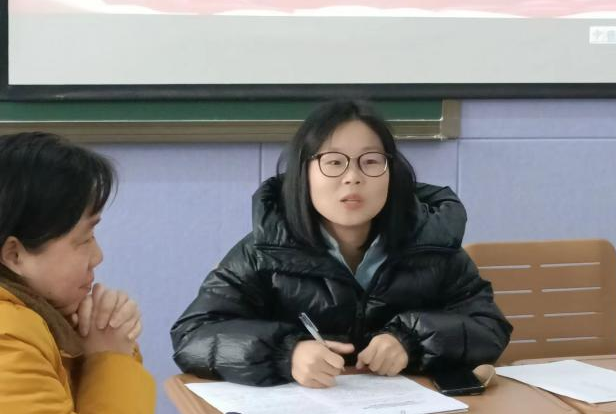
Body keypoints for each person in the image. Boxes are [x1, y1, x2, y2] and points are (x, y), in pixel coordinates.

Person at [171, 100, 512, 388]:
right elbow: (193, 336)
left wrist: (411, 340)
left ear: (391, 173)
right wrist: (286, 353)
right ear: (303, 174)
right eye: (334, 162)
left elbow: (488, 326)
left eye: (371, 161)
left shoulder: (430, 241)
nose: (353, 177)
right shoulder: (264, 249)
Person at [0, 132, 156, 413]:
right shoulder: (8, 339)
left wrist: (106, 338)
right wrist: (110, 357)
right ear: (14, 255)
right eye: (84, 239)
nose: (98, 257)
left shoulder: (50, 317)